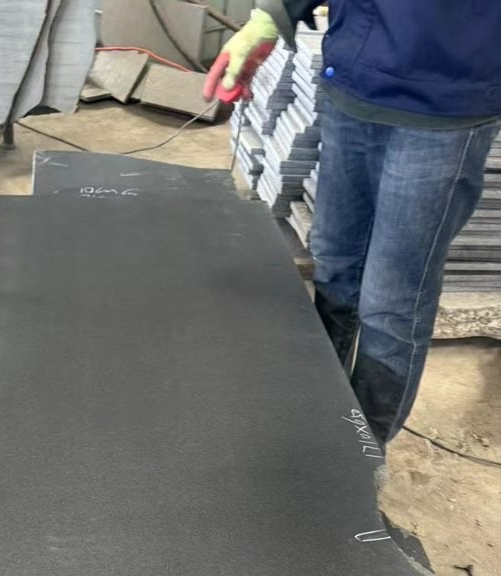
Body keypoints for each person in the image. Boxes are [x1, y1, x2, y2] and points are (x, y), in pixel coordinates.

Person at [205, 1, 501, 446]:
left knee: (391, 306)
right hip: (355, 81)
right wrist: (271, 18)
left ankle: (361, 456)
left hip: (447, 102)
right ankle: (314, 420)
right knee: (335, 270)